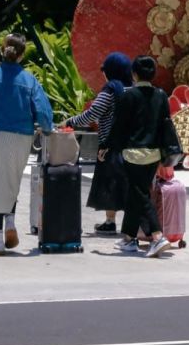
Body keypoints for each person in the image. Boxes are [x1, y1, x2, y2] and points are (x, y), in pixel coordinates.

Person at [0, 34, 54, 255]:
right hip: (20, 137)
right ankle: (11, 221)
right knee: (9, 181)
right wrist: (47, 128)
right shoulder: (29, 80)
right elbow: (42, 111)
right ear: (22, 54)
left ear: (4, 49)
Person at [109, 55, 182, 258]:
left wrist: (108, 146)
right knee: (137, 192)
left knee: (140, 194)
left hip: (133, 153)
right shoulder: (161, 95)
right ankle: (128, 238)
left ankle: (158, 237)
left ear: (134, 74)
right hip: (155, 154)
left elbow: (119, 126)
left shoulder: (127, 96)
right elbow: (164, 124)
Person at [64, 52, 132, 234]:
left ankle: (110, 222)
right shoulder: (132, 89)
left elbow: (93, 114)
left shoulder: (111, 89)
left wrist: (70, 121)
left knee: (111, 184)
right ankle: (132, 224)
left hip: (111, 145)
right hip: (132, 144)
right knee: (129, 185)